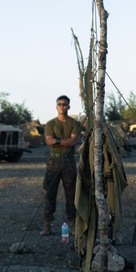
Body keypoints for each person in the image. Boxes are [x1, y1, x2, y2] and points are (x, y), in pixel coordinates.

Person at [40, 95, 83, 236]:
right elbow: (49, 141)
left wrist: (57, 141)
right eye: (59, 104)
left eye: (64, 104)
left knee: (71, 193)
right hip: (54, 161)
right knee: (50, 193)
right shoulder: (50, 124)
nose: (62, 106)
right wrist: (64, 141)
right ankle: (47, 224)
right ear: (56, 106)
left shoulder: (74, 123)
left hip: (68, 161)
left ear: (68, 106)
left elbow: (74, 141)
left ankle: (72, 223)